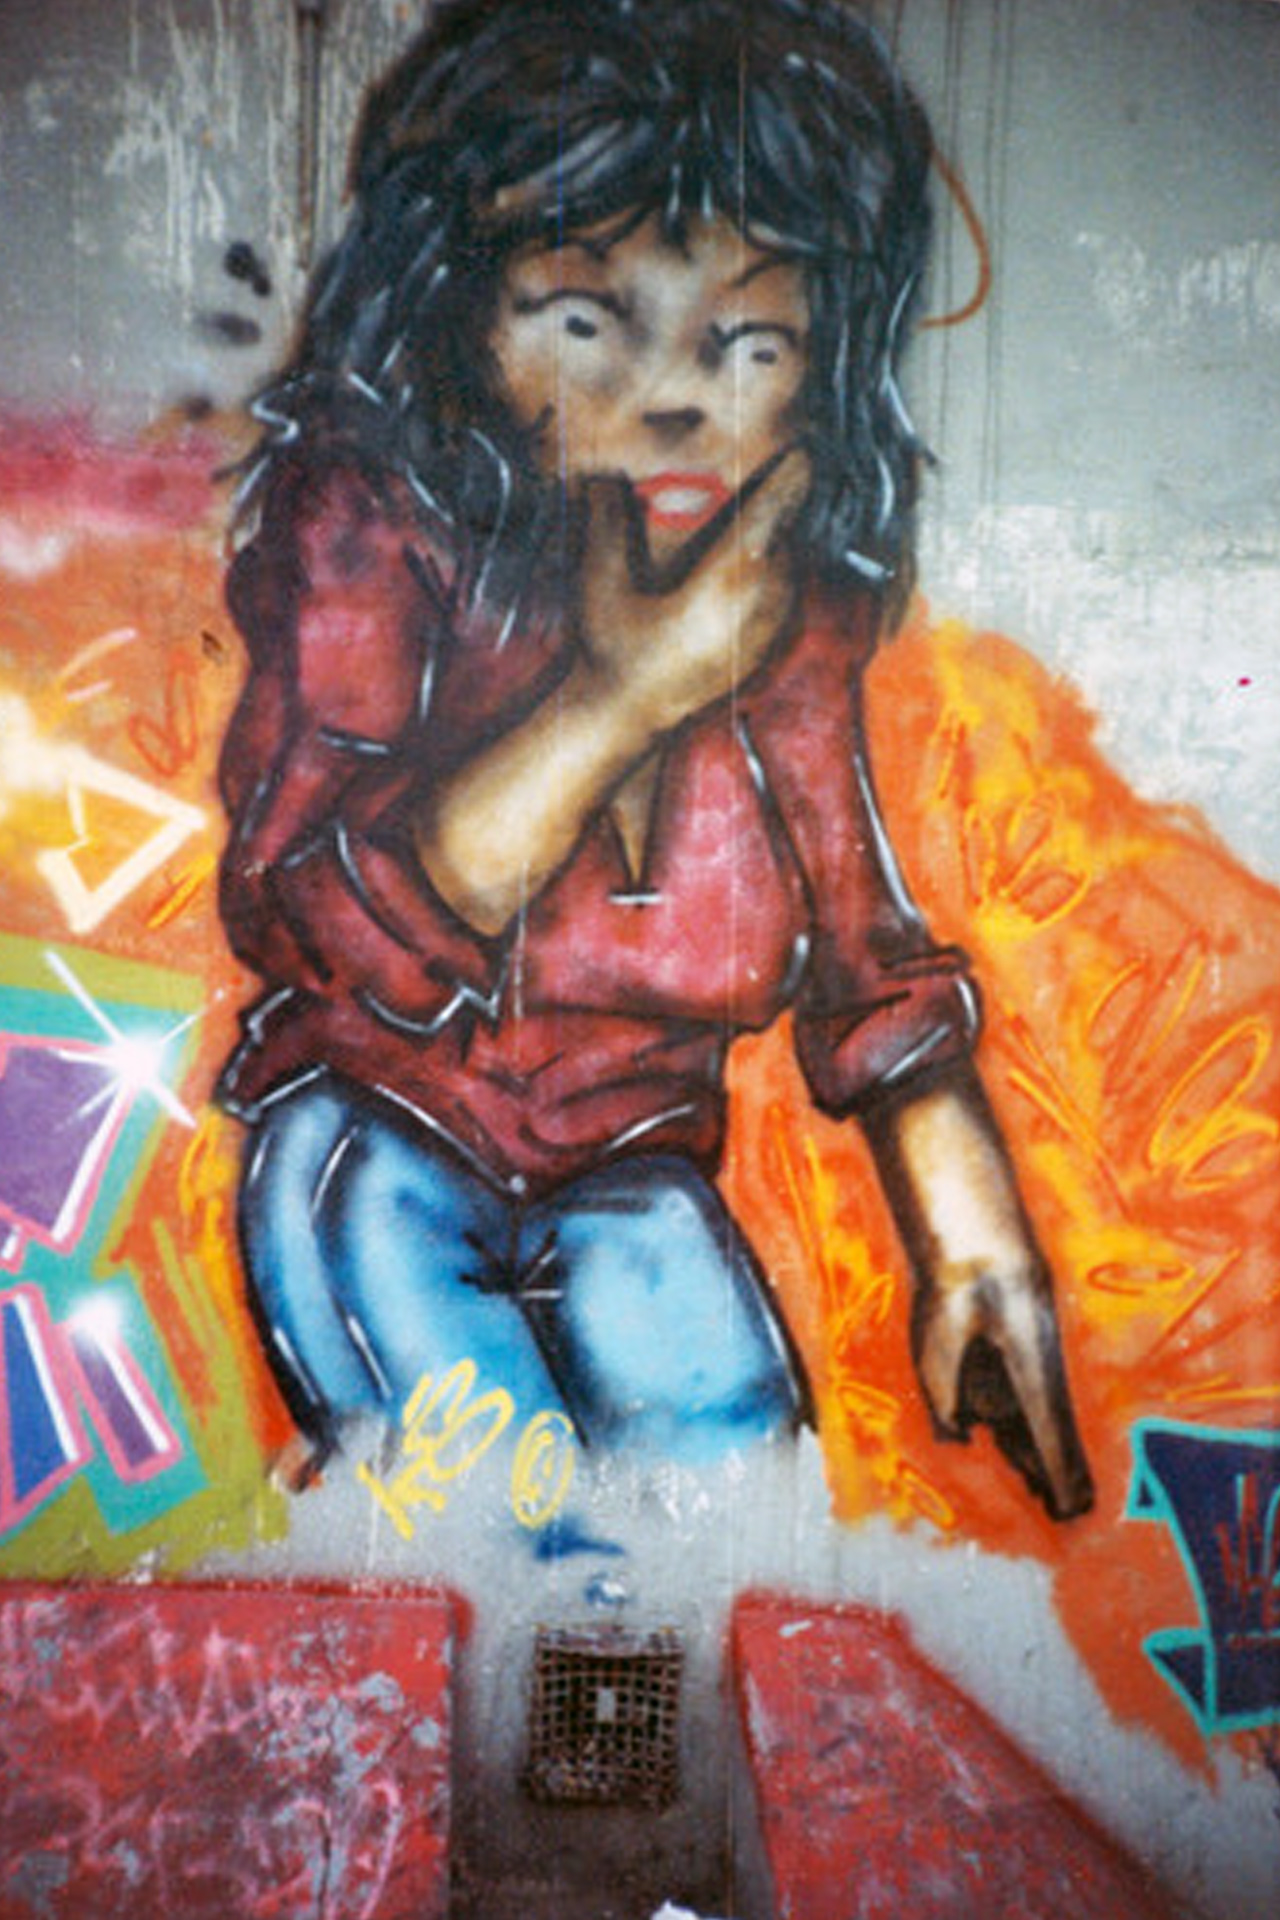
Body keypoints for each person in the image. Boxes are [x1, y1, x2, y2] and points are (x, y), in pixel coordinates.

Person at [217, 0, 1093, 1517]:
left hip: (633, 1182)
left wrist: (975, 1246)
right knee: (514, 1546)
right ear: (461, 319)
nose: (678, 394)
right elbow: (312, 912)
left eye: (749, 341)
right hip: (376, 1150)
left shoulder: (787, 613)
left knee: (736, 1525)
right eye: (586, 322)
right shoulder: (372, 530)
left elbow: (864, 959)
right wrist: (626, 696)